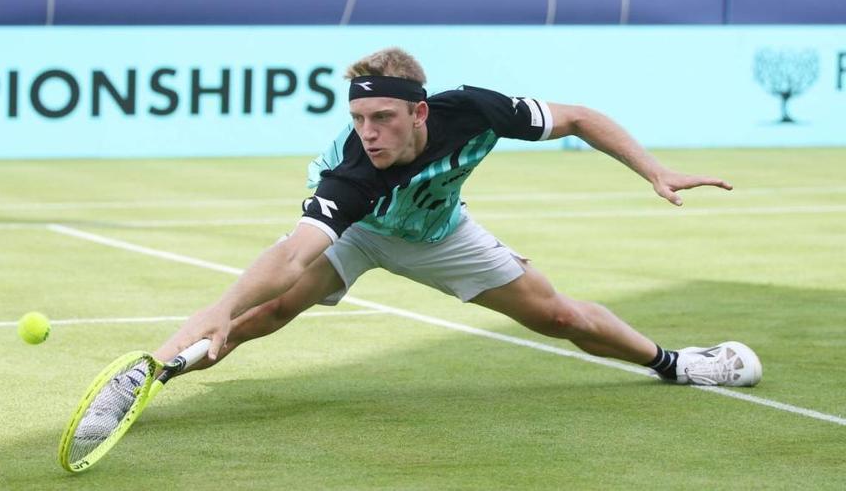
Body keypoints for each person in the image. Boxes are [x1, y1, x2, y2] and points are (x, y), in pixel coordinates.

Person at [153, 47, 762, 388]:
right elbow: (291, 257)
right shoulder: (352, 173)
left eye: (383, 118)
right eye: (360, 119)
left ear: (419, 112)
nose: (369, 132)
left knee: (558, 315)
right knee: (268, 310)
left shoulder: (474, 110)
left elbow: (577, 117)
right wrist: (219, 310)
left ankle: (676, 363)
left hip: (438, 233)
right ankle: (151, 376)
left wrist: (652, 170)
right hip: (362, 231)